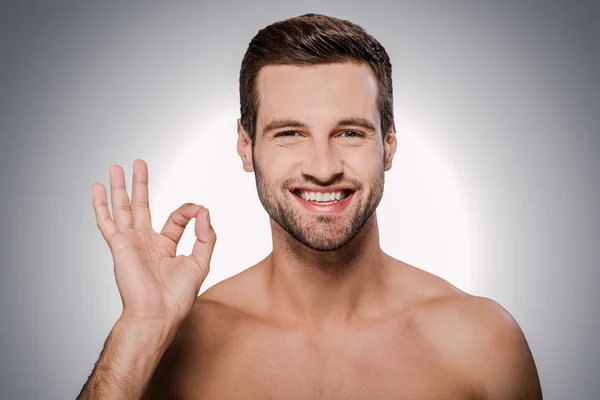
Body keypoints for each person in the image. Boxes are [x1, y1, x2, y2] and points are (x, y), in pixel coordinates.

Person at [78, 13, 542, 399]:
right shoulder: (167, 346)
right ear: (245, 146)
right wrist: (139, 329)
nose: (323, 168)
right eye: (290, 133)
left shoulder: (482, 342)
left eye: (349, 132)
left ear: (390, 144)